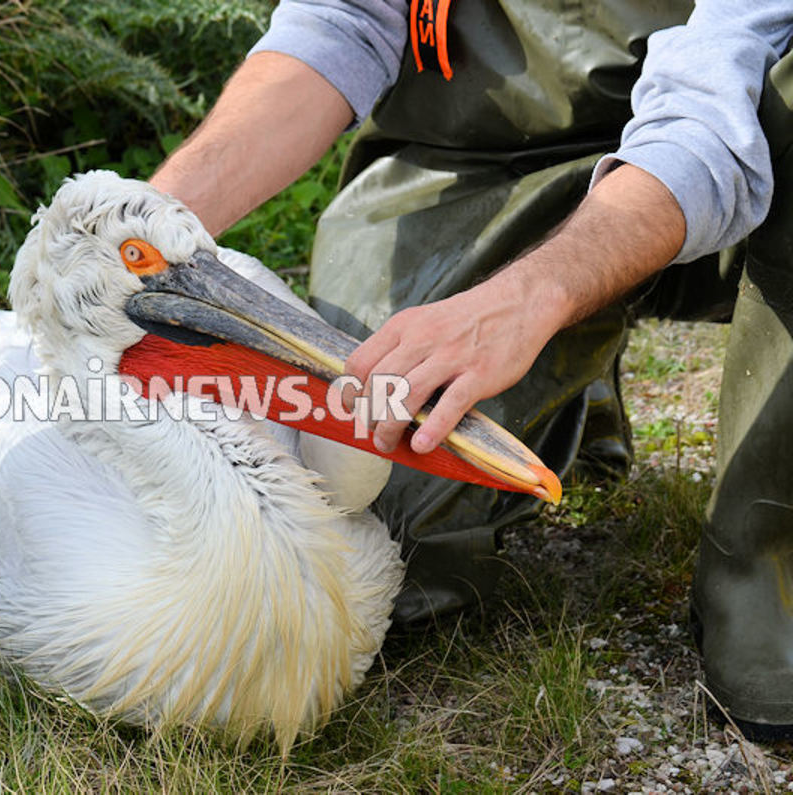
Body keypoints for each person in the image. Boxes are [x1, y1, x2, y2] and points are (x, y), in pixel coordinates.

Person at [150, 1, 793, 739]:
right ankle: (573, 378)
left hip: (742, 149)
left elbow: (706, 123)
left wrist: (529, 299)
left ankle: (765, 554)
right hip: (475, 162)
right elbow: (341, 22)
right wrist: (146, 224)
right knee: (364, 513)